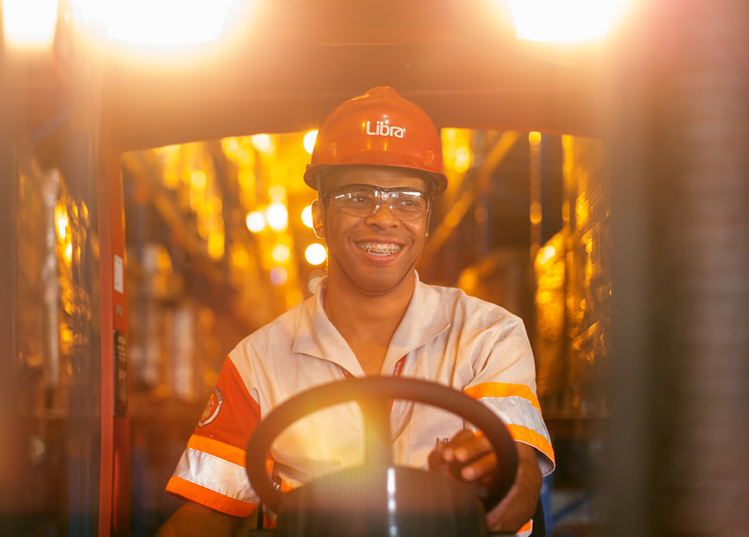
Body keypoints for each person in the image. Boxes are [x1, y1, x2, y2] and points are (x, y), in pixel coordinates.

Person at [157, 86, 555, 536]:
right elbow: (208, 512)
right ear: (319, 217)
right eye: (357, 196)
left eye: (407, 199)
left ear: (426, 218)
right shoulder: (257, 362)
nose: (385, 218)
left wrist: (486, 486)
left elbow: (520, 475)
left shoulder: (488, 335)